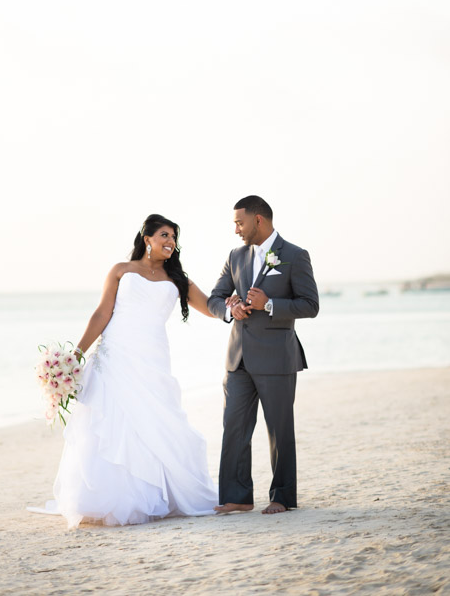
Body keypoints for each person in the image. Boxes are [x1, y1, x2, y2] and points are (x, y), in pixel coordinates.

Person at [28, 214, 218, 528]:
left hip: (152, 358)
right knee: (110, 420)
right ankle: (104, 499)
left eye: (174, 237)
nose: (170, 242)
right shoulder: (121, 270)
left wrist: (236, 306)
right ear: (147, 239)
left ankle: (157, 494)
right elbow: (103, 312)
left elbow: (211, 307)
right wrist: (76, 354)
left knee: (154, 419)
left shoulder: (178, 279)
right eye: (164, 235)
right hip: (115, 353)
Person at [207, 195, 319, 515]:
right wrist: (230, 309)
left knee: (279, 430)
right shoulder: (235, 256)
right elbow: (216, 297)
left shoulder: (295, 256)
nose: (236, 230)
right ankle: (237, 496)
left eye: (239, 223)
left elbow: (310, 305)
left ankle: (282, 497)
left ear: (259, 220)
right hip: (238, 358)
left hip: (276, 358)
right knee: (234, 428)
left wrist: (268, 304)